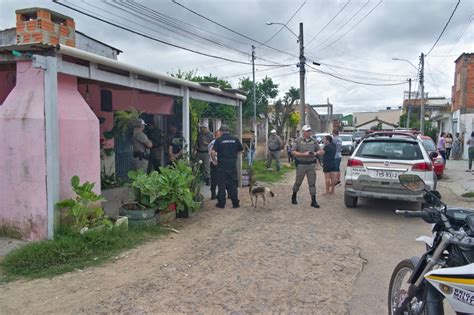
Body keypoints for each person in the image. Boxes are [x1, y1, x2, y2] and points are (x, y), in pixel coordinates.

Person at [291, 124, 324, 208]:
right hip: (301, 164)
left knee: (312, 183)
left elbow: (321, 151)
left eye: (309, 131)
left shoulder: (313, 141)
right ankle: (294, 195)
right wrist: (303, 154)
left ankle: (313, 201)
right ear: (303, 132)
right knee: (298, 182)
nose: (309, 132)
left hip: (311, 165)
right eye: (307, 131)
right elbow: (293, 152)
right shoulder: (298, 141)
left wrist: (316, 153)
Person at [211, 124, 243, 208]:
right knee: (233, 184)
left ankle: (221, 204)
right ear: (228, 131)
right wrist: (233, 154)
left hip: (221, 165)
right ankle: (235, 203)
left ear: (221, 132)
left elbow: (213, 152)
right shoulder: (235, 139)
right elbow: (241, 150)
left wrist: (214, 161)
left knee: (221, 184)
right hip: (232, 165)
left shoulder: (219, 140)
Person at [208, 130, 221, 200]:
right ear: (216, 135)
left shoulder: (216, 142)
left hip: (217, 162)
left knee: (218, 179)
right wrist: (214, 161)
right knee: (214, 179)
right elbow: (211, 153)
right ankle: (213, 194)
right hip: (214, 163)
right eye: (219, 135)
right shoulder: (214, 143)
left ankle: (218, 194)